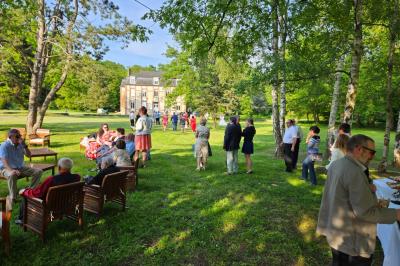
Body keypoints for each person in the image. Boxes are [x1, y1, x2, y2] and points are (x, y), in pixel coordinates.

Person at [317, 134, 400, 265]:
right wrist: (396, 214)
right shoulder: (355, 172)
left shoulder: (337, 164)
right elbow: (365, 212)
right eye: (371, 153)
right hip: (353, 242)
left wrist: (368, 189)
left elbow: (342, 196)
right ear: (359, 149)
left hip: (337, 234)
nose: (372, 157)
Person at [16, 157, 80, 224]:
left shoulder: (52, 179)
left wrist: (24, 191)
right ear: (70, 167)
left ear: (59, 167)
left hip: (50, 206)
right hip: (66, 203)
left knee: (25, 196)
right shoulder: (77, 177)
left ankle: (22, 220)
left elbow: (38, 193)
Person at [0, 129, 42, 207]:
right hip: (6, 168)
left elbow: (29, 155)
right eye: (17, 136)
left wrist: (25, 146)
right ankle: (13, 197)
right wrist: (12, 170)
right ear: (10, 137)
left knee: (38, 171)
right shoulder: (4, 145)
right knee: (12, 175)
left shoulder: (20, 145)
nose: (19, 138)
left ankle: (30, 192)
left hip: (20, 167)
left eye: (20, 136)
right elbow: (4, 161)